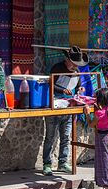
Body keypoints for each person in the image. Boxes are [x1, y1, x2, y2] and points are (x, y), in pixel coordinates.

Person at [43, 46, 88, 175]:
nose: (75, 67)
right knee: (50, 137)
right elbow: (50, 84)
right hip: (54, 105)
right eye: (74, 64)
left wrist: (80, 89)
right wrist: (62, 90)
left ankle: (63, 163)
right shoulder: (57, 68)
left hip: (68, 106)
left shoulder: (77, 71)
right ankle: (47, 164)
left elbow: (78, 86)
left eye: (77, 65)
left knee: (65, 137)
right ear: (67, 60)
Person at [83, 88, 108, 189]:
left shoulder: (100, 113)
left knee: (103, 162)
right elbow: (106, 115)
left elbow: (90, 124)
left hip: (102, 138)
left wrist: (87, 114)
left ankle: (105, 187)